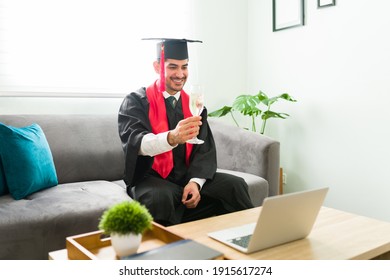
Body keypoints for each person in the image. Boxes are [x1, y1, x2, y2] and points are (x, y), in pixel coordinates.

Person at [118, 38, 253, 226]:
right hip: (151, 178)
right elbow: (136, 143)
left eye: (185, 67)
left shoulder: (194, 104)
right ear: (157, 67)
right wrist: (171, 138)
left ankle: (244, 243)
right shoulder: (136, 101)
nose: (180, 74)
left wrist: (195, 182)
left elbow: (203, 150)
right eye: (173, 67)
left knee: (234, 186)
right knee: (160, 197)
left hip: (185, 177)